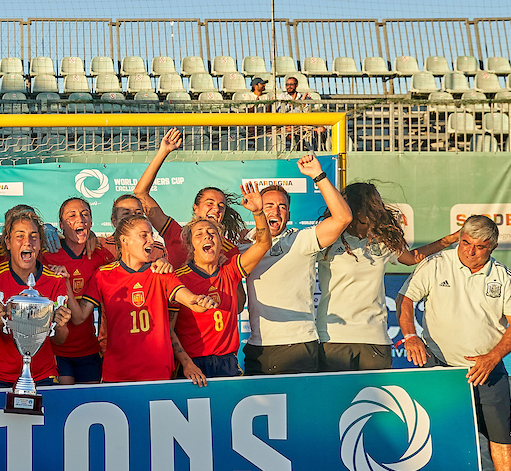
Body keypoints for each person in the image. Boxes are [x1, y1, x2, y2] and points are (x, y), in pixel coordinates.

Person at [398, 215, 511, 471]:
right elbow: (405, 300)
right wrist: (410, 335)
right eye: (466, 243)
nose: (470, 251)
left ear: (493, 246)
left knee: (500, 434)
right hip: (440, 367)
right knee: (435, 429)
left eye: (480, 247)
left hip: (486, 368)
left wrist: (493, 356)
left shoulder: (504, 277)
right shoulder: (435, 264)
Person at [317, 182, 459, 372]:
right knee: (335, 400)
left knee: (373, 400)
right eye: (367, 212)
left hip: (375, 337)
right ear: (353, 209)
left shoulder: (381, 240)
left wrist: (450, 239)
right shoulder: (328, 240)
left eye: (375, 210)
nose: (372, 217)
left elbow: (411, 258)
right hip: (333, 337)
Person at [243, 155, 353, 375]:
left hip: (298, 345)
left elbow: (343, 218)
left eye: (282, 207)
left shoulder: (300, 240)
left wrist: (318, 176)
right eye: (269, 206)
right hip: (257, 347)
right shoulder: (243, 244)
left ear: (289, 215)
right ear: (256, 208)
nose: (275, 211)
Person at [83, 215, 217, 383]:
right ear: (124, 240)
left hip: (158, 372)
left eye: (152, 235)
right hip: (118, 373)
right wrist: (64, 283)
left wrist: (199, 300)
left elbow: (189, 299)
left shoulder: (161, 272)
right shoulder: (103, 275)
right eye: (144, 235)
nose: (151, 240)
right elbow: (80, 316)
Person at [170, 184, 272, 383]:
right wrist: (186, 363)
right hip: (192, 365)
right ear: (190, 245)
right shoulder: (178, 278)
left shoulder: (231, 270)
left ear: (220, 242)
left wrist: (258, 212)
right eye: (199, 234)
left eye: (212, 233)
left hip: (227, 363)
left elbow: (263, 244)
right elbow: (169, 329)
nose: (206, 236)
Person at [0, 209, 73, 389]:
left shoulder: (55, 279)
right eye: (20, 236)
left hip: (42, 373)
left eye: (34, 236)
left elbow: (60, 339)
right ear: (8, 242)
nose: (27, 242)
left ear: (41, 243)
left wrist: (60, 323)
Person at [134, 128, 246, 267]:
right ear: (195, 208)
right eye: (209, 203)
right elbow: (140, 193)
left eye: (221, 206)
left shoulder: (230, 250)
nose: (216, 209)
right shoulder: (176, 233)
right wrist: (163, 152)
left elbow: (234, 288)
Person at [40, 197, 113, 384]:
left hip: (89, 349)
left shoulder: (101, 256)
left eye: (85, 214)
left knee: (91, 406)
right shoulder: (46, 256)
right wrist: (42, 229)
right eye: (72, 215)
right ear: (61, 225)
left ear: (91, 223)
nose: (80, 219)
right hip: (56, 351)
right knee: (66, 401)